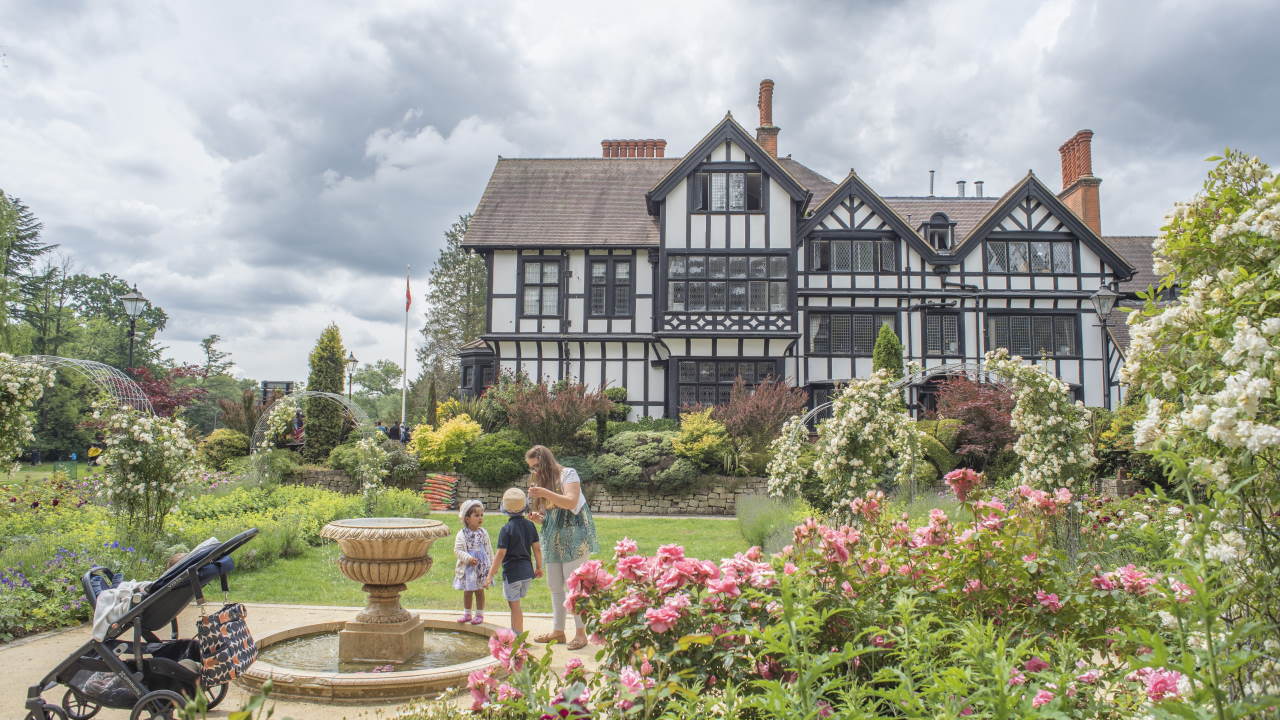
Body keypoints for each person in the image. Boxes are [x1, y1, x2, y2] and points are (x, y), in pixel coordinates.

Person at [525, 445, 598, 650]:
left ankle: (581, 633)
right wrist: (539, 518)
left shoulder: (568, 474)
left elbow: (570, 502)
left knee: (573, 586)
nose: (535, 471)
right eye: (531, 468)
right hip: (553, 537)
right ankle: (558, 632)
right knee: (554, 585)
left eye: (537, 466)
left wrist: (544, 492)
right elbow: (551, 513)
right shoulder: (542, 481)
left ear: (546, 461)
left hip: (574, 535)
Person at [484, 487, 543, 634]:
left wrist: (490, 575)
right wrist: (539, 567)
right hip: (527, 573)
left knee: (515, 607)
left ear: (505, 509)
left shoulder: (506, 529)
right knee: (515, 604)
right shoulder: (530, 526)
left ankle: (517, 637)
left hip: (512, 574)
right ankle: (516, 632)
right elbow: (537, 548)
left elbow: (500, 554)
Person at [452, 499, 492, 625]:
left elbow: (488, 549)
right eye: (476, 515)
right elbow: (457, 550)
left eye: (481, 515)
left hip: (481, 568)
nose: (480, 518)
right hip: (468, 569)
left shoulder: (483, 533)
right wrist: (468, 558)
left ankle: (479, 614)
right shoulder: (462, 534)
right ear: (467, 519)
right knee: (468, 591)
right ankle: (467, 614)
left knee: (480, 591)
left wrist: (491, 567)